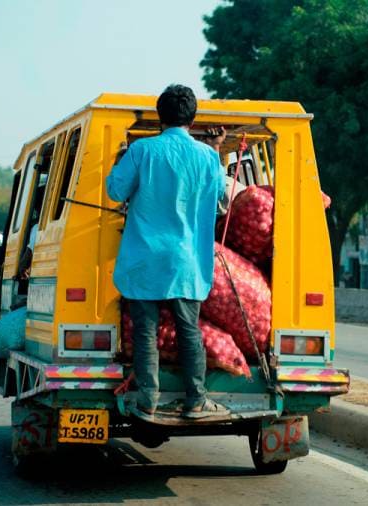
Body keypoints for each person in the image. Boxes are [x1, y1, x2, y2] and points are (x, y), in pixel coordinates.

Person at [106, 84, 227, 421]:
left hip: (144, 258)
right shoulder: (207, 156)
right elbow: (219, 196)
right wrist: (215, 148)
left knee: (145, 330)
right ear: (192, 117)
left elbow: (115, 191)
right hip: (186, 261)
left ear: (160, 116)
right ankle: (196, 399)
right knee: (190, 330)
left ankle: (147, 399)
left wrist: (121, 157)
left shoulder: (142, 150)